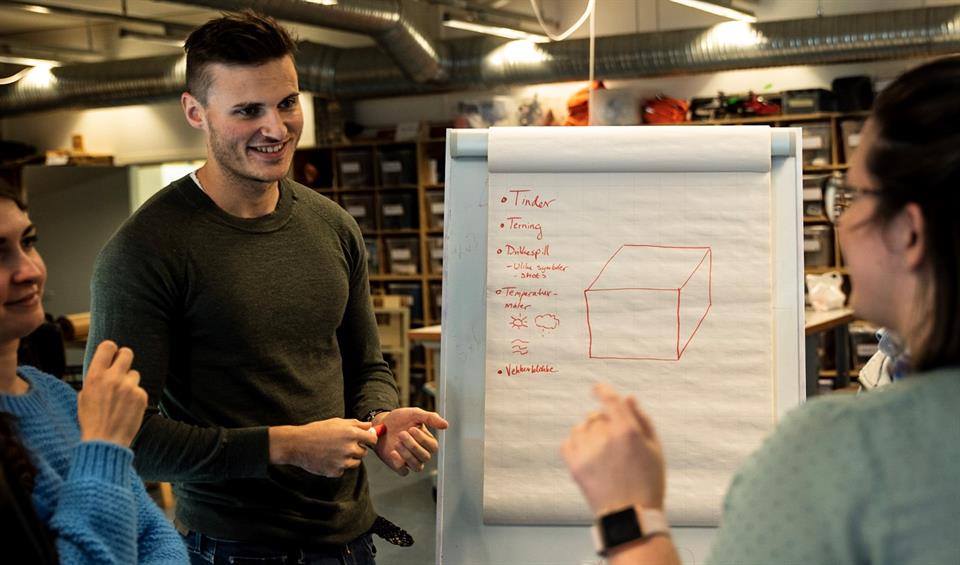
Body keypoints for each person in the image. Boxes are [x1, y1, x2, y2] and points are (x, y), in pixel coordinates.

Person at [562, 56, 960, 565]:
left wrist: (629, 514)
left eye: (852, 195)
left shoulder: (838, 452)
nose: (840, 220)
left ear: (908, 232)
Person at [85, 11, 448, 564]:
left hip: (350, 541)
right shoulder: (144, 251)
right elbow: (126, 440)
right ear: (195, 112)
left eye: (287, 103)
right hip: (234, 549)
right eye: (248, 111)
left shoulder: (332, 226)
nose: (276, 129)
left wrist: (379, 420)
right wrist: (285, 446)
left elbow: (366, 365)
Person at [0, 181, 188, 563]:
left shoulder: (54, 394)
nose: (29, 271)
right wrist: (104, 444)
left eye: (28, 242)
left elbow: (154, 533)